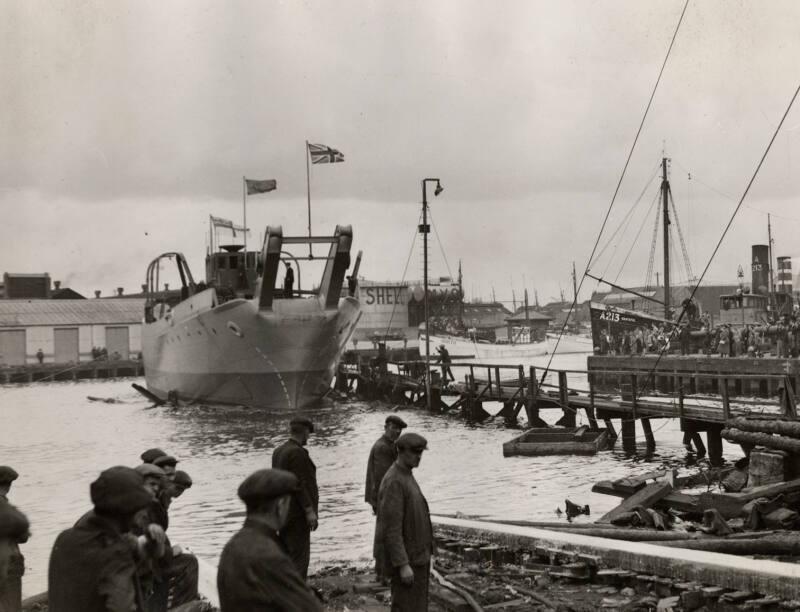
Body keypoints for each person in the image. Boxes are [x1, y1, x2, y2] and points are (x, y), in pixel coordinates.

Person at [48, 466, 154, 612]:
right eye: (139, 507)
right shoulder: (116, 553)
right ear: (127, 510)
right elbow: (122, 607)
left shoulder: (64, 538)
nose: (142, 514)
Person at [217, 469, 322, 612]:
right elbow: (310, 608)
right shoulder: (268, 554)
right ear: (280, 506)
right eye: (288, 503)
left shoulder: (231, 546)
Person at [376, 432, 435, 612]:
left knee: (418, 606)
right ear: (401, 451)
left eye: (421, 453)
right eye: (415, 452)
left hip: (417, 557)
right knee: (406, 607)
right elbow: (391, 529)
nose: (419, 457)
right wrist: (402, 565)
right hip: (409, 560)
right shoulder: (395, 481)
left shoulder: (406, 475)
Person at [271, 417, 318, 579]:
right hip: (297, 513)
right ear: (305, 432)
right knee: (299, 557)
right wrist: (309, 510)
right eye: (308, 434)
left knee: (285, 554)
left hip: (282, 511)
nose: (309, 437)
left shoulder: (278, 451)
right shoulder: (297, 453)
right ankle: (296, 595)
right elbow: (299, 484)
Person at [365, 415, 408, 582]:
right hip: (384, 497)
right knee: (386, 534)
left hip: (382, 497)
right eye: (394, 428)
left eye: (399, 429)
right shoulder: (383, 447)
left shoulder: (388, 445)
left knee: (385, 533)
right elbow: (384, 477)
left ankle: (383, 571)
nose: (396, 432)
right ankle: (383, 573)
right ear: (386, 427)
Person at [0, 467, 27, 612]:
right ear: (8, 485)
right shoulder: (5, 506)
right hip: (9, 563)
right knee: (11, 606)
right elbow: (23, 536)